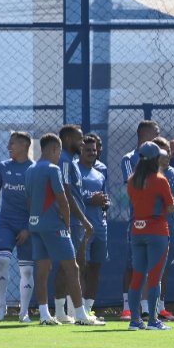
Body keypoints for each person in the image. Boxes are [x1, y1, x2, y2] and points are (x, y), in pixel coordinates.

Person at [25, 133, 102, 326]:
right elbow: (63, 199)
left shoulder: (30, 169)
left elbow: (29, 200)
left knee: (42, 269)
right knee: (72, 268)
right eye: (58, 151)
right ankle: (81, 316)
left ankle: (44, 315)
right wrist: (66, 225)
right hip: (54, 226)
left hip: (35, 224)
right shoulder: (53, 169)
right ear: (54, 149)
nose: (59, 155)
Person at [126, 140, 174, 331]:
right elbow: (171, 206)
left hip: (137, 230)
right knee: (155, 278)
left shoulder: (132, 180)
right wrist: (171, 206)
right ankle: (153, 321)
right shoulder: (160, 180)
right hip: (157, 231)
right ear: (156, 159)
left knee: (137, 277)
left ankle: (135, 321)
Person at [0, 131, 33, 322]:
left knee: (27, 270)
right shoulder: (3, 167)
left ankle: (24, 312)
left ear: (24, 145)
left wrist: (28, 228)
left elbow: (38, 203)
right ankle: (1, 305)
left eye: (12, 143)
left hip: (27, 226)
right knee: (3, 260)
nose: (8, 147)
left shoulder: (34, 169)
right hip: (5, 223)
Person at [119, 119, 162, 321]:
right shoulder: (129, 159)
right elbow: (136, 184)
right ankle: (127, 307)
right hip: (137, 220)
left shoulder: (160, 158)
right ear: (145, 135)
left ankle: (148, 308)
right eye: (156, 133)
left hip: (158, 222)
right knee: (133, 264)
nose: (159, 136)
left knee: (155, 266)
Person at [54, 124, 93, 324]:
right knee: (68, 266)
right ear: (68, 140)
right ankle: (64, 311)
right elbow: (66, 194)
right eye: (79, 139)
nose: (82, 142)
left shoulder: (72, 161)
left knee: (76, 265)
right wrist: (83, 220)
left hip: (76, 222)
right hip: (71, 222)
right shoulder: (64, 161)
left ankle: (69, 311)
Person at [79, 133, 109, 321]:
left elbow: (104, 197)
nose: (91, 153)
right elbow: (70, 198)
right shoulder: (74, 170)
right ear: (80, 151)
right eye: (87, 150)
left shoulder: (100, 173)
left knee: (96, 268)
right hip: (82, 227)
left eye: (94, 150)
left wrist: (105, 202)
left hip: (100, 227)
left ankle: (88, 309)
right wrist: (91, 199)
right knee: (80, 267)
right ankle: (78, 310)